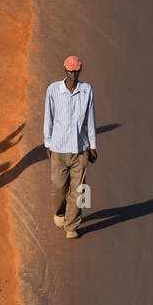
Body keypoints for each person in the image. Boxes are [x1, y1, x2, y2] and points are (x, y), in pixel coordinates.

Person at [43, 55, 98, 239]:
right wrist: (48, 143)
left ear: (80, 71)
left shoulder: (87, 90)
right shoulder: (53, 90)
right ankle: (60, 212)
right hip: (58, 148)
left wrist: (92, 145)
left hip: (80, 148)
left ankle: (72, 225)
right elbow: (48, 117)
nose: (73, 75)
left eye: (76, 71)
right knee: (58, 186)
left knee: (79, 189)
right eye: (70, 71)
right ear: (65, 71)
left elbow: (90, 119)